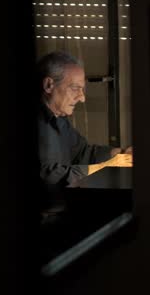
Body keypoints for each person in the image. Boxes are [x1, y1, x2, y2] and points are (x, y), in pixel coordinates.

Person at [37, 51, 132, 216]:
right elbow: (49, 177)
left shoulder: (59, 118)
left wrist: (120, 153)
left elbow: (82, 152)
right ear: (49, 85)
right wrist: (106, 166)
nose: (82, 98)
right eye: (75, 89)